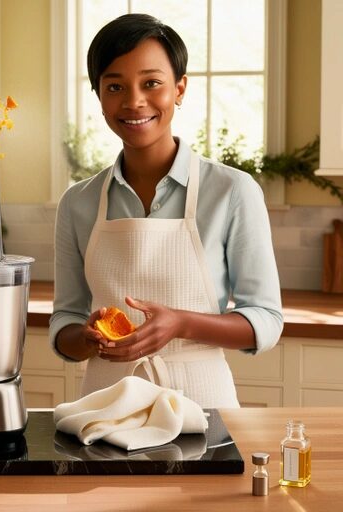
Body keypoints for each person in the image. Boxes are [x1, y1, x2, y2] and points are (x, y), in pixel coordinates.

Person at [49, 13, 283, 408]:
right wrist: (84, 338)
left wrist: (181, 324)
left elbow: (265, 320)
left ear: (179, 89)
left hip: (203, 407)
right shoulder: (79, 202)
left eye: (151, 83)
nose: (133, 101)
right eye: (115, 86)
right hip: (103, 409)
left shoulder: (232, 190)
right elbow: (65, 324)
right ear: (100, 96)